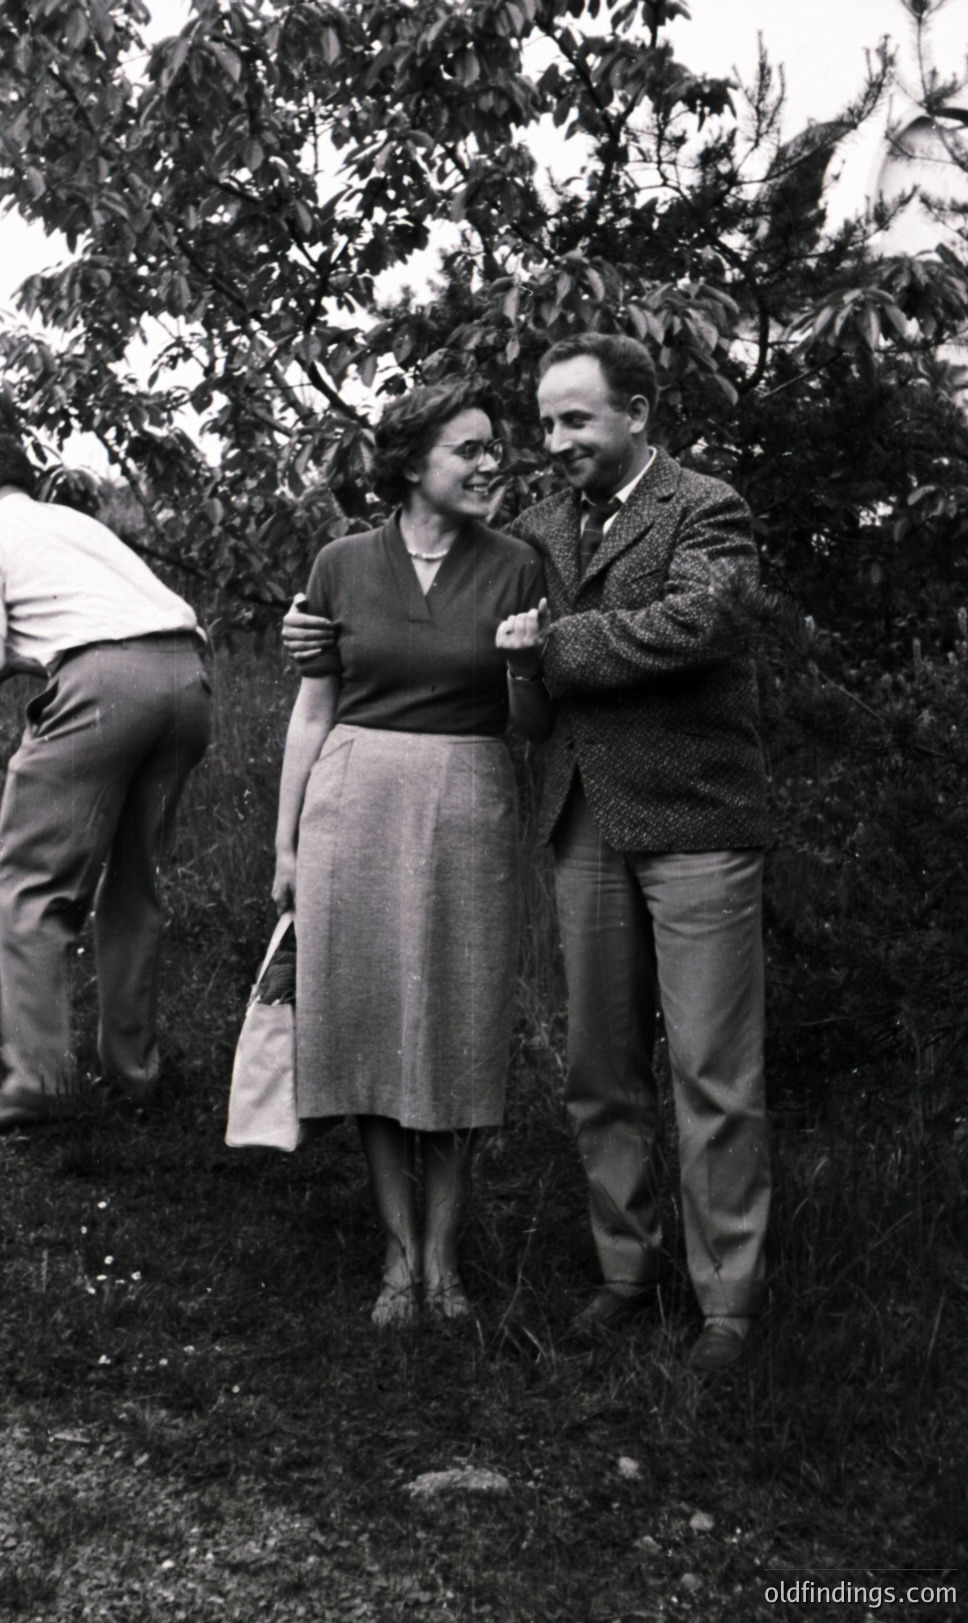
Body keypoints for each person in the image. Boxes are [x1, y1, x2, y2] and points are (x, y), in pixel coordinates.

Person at [284, 335, 771, 1372]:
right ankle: (624, 1275)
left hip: (694, 818)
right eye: (544, 424)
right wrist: (310, 633)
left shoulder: (705, 506)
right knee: (599, 1068)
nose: (551, 445)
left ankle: (726, 1304)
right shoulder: (538, 531)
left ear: (636, 412)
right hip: (579, 817)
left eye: (574, 421)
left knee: (712, 1071)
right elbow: (428, 598)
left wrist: (550, 646)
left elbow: (703, 621)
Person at [271, 377, 550, 1328]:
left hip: (470, 799)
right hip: (351, 801)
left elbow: (531, 723)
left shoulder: (518, 563)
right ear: (410, 464)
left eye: (492, 448)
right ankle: (395, 1256)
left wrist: (521, 663)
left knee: (460, 1026)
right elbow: (312, 707)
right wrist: (285, 844)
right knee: (367, 1024)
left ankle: (444, 1256)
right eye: (467, 449)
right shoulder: (342, 562)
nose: (488, 463)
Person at [0, 432, 213, 1131]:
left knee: (28, 881)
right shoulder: (74, 525)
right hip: (188, 677)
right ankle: (133, 1069)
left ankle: (38, 1080)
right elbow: (89, 632)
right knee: (133, 881)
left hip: (105, 687)